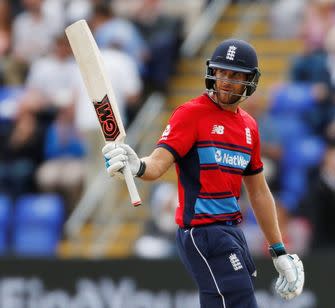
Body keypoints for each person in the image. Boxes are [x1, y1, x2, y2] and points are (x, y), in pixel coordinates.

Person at [102, 39, 304, 306]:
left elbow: (259, 192)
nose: (225, 81)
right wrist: (136, 165)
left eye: (235, 75)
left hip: (232, 231)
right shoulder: (191, 114)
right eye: (221, 72)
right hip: (202, 232)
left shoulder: (249, 127)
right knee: (240, 302)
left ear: (250, 80)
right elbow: (158, 165)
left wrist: (279, 251)